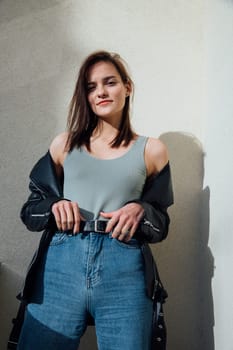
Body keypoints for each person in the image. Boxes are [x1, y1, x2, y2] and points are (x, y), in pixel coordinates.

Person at [14, 51, 173, 350]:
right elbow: (30, 210)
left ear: (128, 87)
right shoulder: (64, 144)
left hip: (124, 265)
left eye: (109, 82)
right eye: (90, 86)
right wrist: (53, 205)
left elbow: (161, 223)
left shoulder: (152, 150)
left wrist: (141, 208)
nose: (100, 91)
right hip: (61, 262)